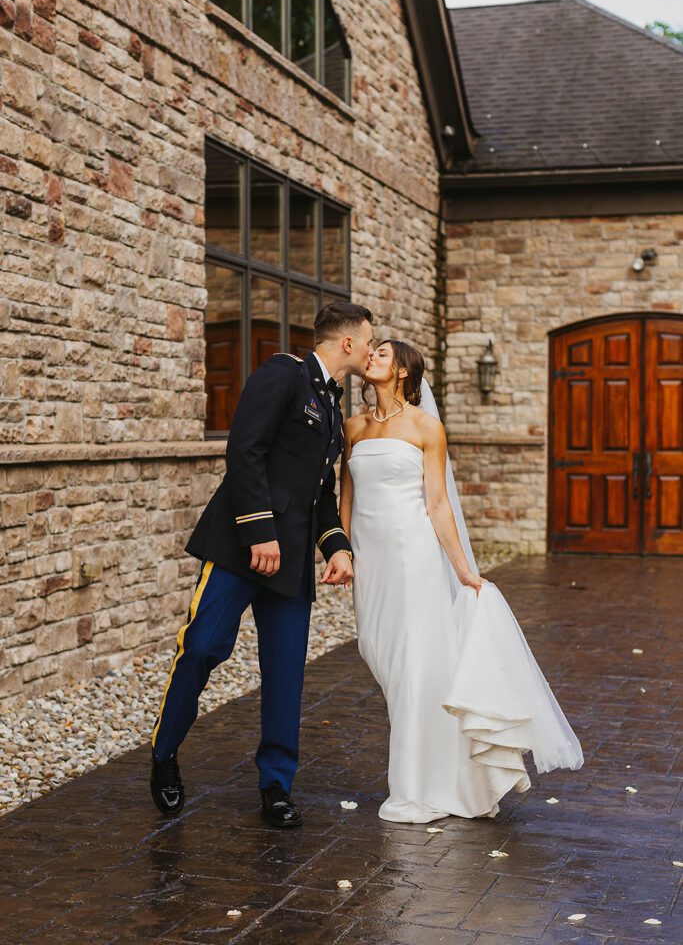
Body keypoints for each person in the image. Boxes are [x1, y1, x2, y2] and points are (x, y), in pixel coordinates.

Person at [150, 302, 374, 828]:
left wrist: (336, 546)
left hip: (291, 565)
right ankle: (163, 754)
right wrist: (261, 532)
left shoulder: (331, 408)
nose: (371, 348)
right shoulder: (283, 374)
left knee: (285, 675)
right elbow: (244, 450)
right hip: (239, 548)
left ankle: (276, 784)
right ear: (346, 343)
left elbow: (318, 494)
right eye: (368, 340)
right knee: (202, 647)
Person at [341, 339, 583, 823]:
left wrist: (463, 570)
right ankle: (439, 765)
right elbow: (345, 496)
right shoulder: (353, 426)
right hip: (371, 561)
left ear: (405, 371)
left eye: (383, 354)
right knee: (379, 652)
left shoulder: (428, 428)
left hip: (414, 557)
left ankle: (416, 787)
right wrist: (342, 551)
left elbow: (436, 504)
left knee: (414, 667)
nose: (372, 358)